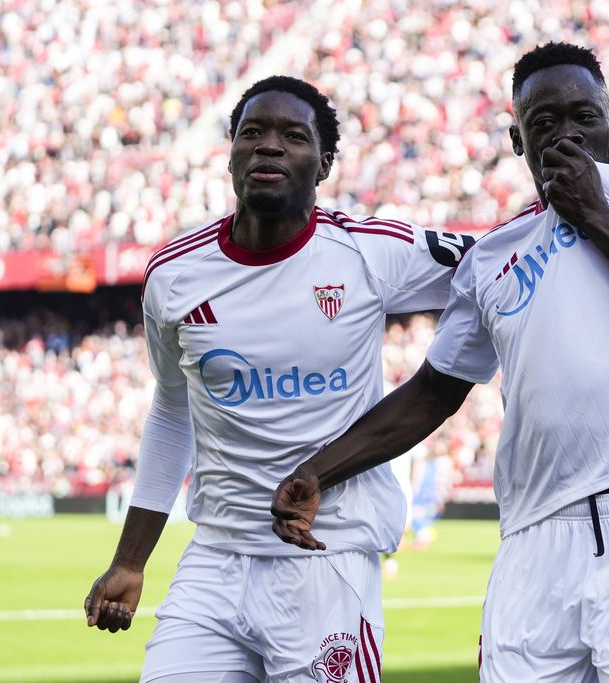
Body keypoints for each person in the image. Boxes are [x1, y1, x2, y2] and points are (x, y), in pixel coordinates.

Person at [271, 43, 609, 683]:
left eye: (583, 116)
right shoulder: (491, 256)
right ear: (516, 139)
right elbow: (434, 391)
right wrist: (320, 470)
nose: (566, 135)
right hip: (532, 539)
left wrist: (597, 213)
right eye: (543, 123)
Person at [83, 75, 478, 683]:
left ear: (323, 165)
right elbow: (171, 410)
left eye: (293, 136)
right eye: (253, 133)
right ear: (231, 152)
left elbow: (501, 259)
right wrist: (131, 560)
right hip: (214, 557)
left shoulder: (368, 252)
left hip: (327, 558)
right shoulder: (174, 275)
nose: (269, 146)